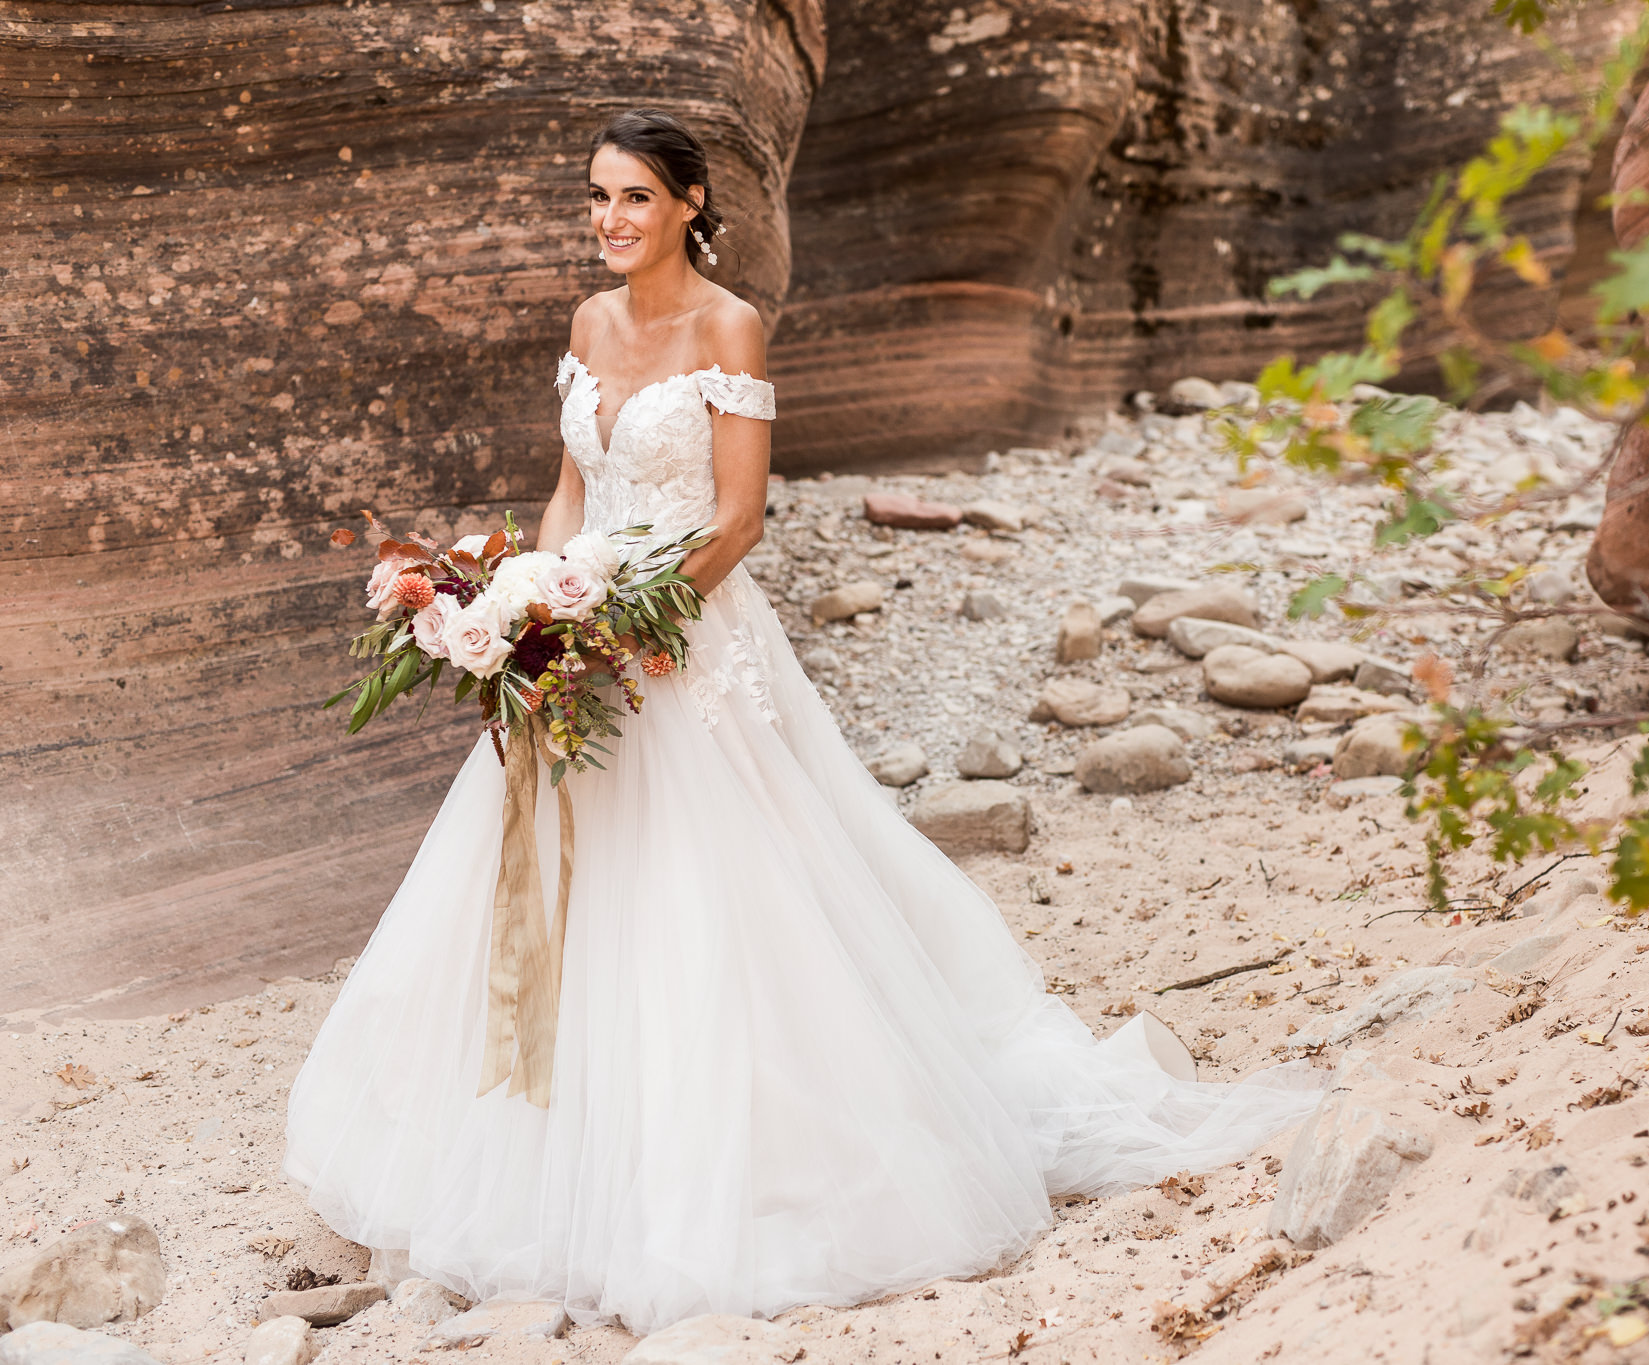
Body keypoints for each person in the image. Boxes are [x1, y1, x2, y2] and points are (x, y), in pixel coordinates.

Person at [283, 108, 1322, 1335]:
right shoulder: (586, 323)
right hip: (578, 637)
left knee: (717, 883)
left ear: (686, 205)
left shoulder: (729, 326)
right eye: (595, 198)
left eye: (631, 198)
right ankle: (542, 1156)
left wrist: (630, 624)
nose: (608, 220)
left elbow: (736, 520)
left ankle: (755, 1159)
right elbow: (574, 487)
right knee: (555, 876)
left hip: (687, 633)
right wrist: (528, 614)